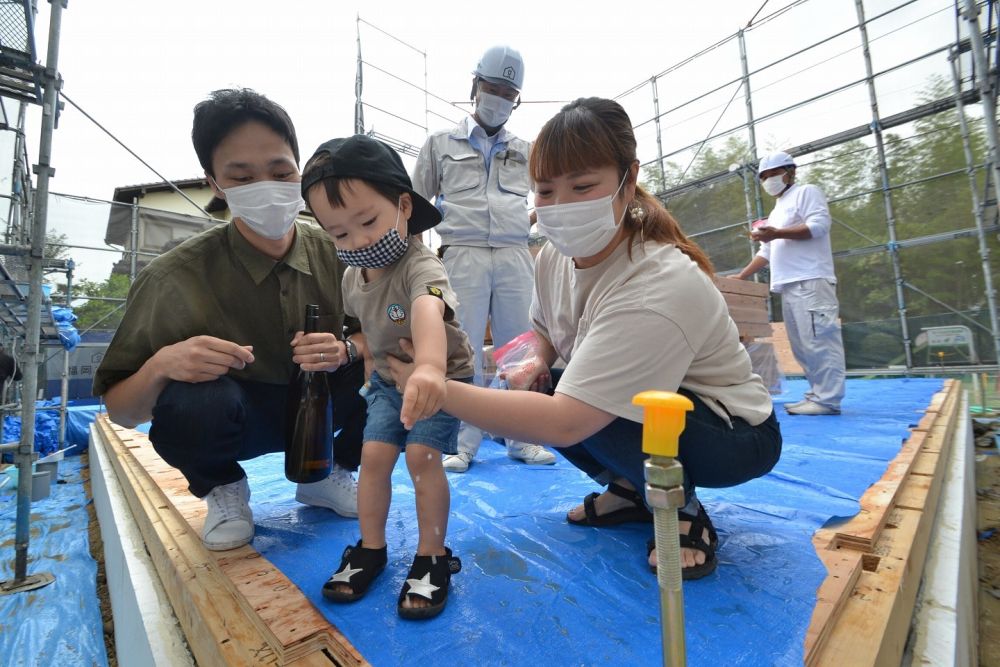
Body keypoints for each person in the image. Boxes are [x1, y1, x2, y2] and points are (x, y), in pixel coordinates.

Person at [389, 97, 783, 579]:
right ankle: (630, 489)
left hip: (733, 434)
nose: (560, 207)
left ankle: (683, 512)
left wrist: (435, 387)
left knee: (592, 406)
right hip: (658, 413)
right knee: (547, 386)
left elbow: (566, 424)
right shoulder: (554, 255)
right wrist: (529, 363)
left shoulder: (656, 281)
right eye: (546, 191)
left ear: (627, 180)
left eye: (582, 186)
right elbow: (541, 331)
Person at [93, 89, 368, 552]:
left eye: (281, 173)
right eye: (242, 177)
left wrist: (350, 348)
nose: (267, 187)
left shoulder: (343, 255)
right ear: (215, 183)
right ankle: (222, 486)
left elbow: (392, 337)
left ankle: (330, 473)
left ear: (299, 171)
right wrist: (162, 364)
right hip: (237, 416)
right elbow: (121, 410)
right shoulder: (172, 278)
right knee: (191, 401)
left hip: (322, 408)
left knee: (397, 365)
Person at [301, 135, 474, 619]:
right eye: (338, 234)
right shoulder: (352, 278)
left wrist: (431, 369)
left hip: (442, 378)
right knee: (373, 456)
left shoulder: (422, 264)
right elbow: (363, 330)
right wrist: (368, 364)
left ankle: (432, 557)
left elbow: (426, 312)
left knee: (421, 456)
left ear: (403, 206)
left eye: (368, 222)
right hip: (388, 383)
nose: (356, 241)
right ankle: (371, 549)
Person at [411, 44, 555, 472]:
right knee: (464, 347)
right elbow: (414, 206)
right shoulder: (439, 144)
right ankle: (461, 443)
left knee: (520, 347)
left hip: (514, 252)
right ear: (474, 87)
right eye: (492, 88)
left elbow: (547, 196)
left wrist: (531, 222)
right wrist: (416, 264)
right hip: (462, 252)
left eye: (508, 93)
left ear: (517, 99)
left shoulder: (528, 150)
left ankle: (522, 438)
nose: (499, 99)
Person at [735, 151, 846, 416]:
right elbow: (768, 251)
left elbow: (819, 226)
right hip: (789, 285)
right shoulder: (777, 210)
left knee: (820, 340)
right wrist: (741, 277)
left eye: (773, 174)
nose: (769, 180)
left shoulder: (807, 192)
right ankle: (817, 395)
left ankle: (827, 400)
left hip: (810, 279)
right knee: (803, 345)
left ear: (790, 172)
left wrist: (778, 233)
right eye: (764, 177)